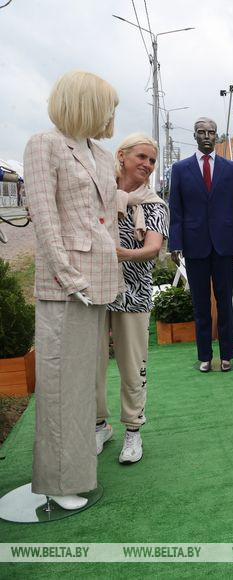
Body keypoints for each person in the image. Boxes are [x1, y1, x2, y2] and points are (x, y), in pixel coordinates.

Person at [23, 71, 122, 510]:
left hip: (100, 280)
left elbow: (107, 211)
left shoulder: (100, 153)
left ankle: (77, 473)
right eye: (107, 105)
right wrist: (69, 277)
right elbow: (46, 221)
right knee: (61, 387)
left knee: (82, 387)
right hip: (67, 287)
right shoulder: (44, 145)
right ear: (84, 103)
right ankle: (58, 482)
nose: (110, 114)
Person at [94, 133, 167, 464]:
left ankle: (133, 432)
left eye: (152, 160)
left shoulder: (154, 204)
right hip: (95, 292)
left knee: (133, 367)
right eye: (142, 157)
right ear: (121, 156)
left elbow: (153, 248)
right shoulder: (98, 193)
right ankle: (99, 426)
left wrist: (120, 254)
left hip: (134, 294)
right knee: (92, 365)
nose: (147, 165)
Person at [169, 117, 233, 372]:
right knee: (201, 303)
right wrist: (175, 243)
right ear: (194, 135)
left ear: (216, 136)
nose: (206, 136)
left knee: (226, 302)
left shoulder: (231, 169)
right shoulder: (180, 169)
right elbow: (176, 209)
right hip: (195, 245)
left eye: (211, 132)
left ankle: (227, 355)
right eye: (202, 132)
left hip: (225, 244)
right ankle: (204, 355)